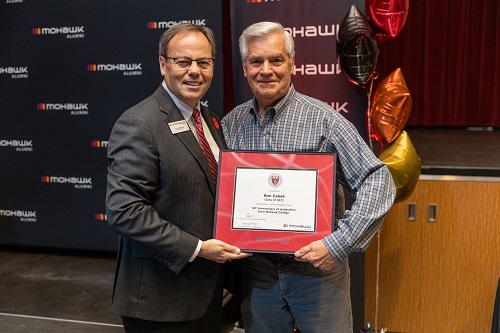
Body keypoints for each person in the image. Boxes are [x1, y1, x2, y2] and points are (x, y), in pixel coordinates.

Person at [221, 21, 396, 333]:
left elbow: (378, 181)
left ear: (292, 64)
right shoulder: (231, 124)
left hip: (317, 276)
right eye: (256, 61)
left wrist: (338, 243)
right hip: (257, 275)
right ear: (245, 67)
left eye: (276, 60)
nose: (266, 70)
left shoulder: (324, 121)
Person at [106, 23, 250, 333]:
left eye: (203, 62)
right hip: (159, 300)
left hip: (207, 294)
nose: (194, 71)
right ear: (162, 64)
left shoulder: (210, 120)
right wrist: (198, 248)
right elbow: (124, 211)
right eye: (183, 61)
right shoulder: (139, 123)